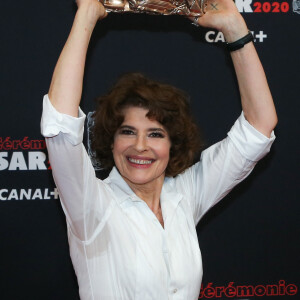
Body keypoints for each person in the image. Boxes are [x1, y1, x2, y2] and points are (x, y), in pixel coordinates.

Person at [40, 0, 278, 299]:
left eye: (155, 134)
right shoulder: (90, 205)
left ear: (172, 144)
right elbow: (60, 126)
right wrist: (87, 13)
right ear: (110, 140)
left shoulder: (184, 195)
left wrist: (234, 27)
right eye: (127, 132)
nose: (140, 146)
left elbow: (259, 127)